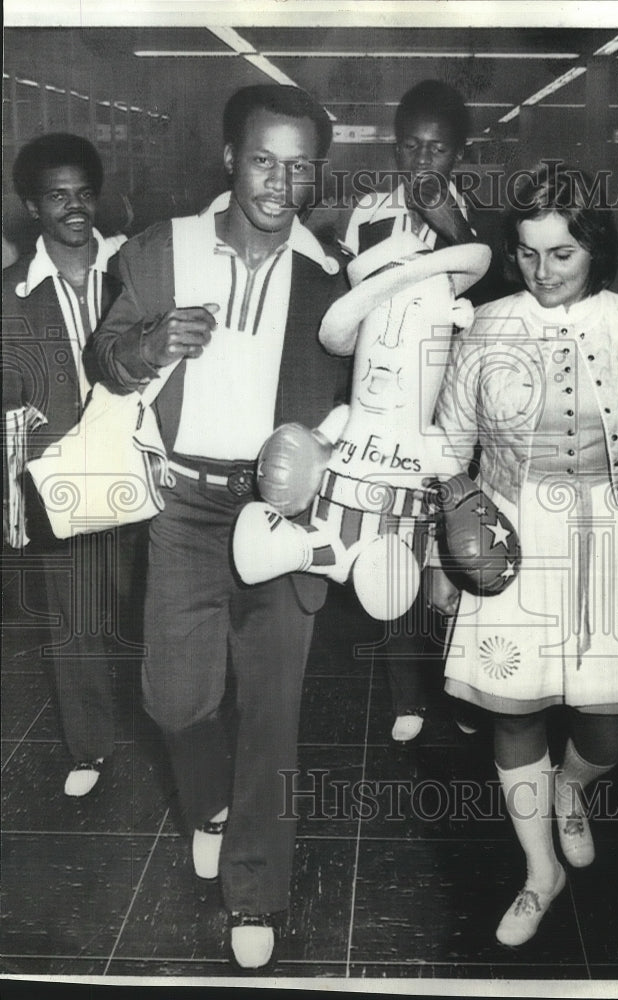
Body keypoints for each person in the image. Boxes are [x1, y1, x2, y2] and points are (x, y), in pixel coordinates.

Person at [86, 85, 349, 970]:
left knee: (272, 713)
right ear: (231, 159)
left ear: (317, 173)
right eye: (265, 159)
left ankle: (255, 891)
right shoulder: (166, 249)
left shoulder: (329, 275)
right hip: (188, 508)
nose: (281, 181)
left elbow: (360, 401)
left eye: (301, 164)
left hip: (284, 511)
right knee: (174, 696)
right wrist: (152, 345)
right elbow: (107, 359)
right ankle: (205, 805)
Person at [435, 163, 618, 947]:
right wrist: (440, 557)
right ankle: (538, 871)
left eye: (561, 254)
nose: (542, 272)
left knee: (609, 723)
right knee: (514, 711)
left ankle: (572, 789)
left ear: (595, 247)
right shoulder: (487, 327)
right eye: (526, 254)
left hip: (613, 535)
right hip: (510, 536)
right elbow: (450, 449)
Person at [344, 79, 508, 743]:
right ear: (394, 146)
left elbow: (497, 314)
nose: (421, 161)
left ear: (458, 152)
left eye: (436, 149)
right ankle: (406, 694)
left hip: (461, 410)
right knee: (392, 547)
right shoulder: (367, 212)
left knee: (461, 549)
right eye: (410, 146)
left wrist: (454, 231)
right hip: (393, 407)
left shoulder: (484, 223)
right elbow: (354, 314)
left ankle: (467, 682)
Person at [2, 132, 144, 798]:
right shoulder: (12, 292)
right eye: (58, 196)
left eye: (85, 192)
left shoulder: (136, 267)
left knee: (148, 603)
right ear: (33, 206)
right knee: (73, 615)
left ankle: (179, 721)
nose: (75, 208)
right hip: (63, 474)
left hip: (144, 461)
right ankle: (89, 747)